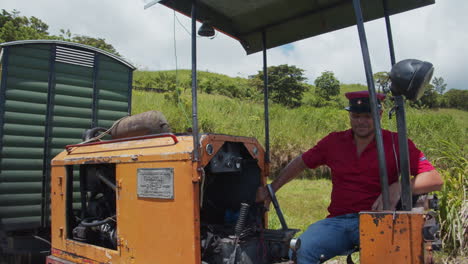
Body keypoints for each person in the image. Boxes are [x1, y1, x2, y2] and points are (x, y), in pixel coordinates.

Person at [255, 91, 443, 264]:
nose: (361, 121)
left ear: (379, 115)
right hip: (338, 221)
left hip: (379, 219)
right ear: (350, 116)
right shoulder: (334, 141)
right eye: (356, 116)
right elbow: (301, 161)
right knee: (302, 250)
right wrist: (273, 189)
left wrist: (400, 187)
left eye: (367, 116)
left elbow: (435, 179)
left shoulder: (396, 143)